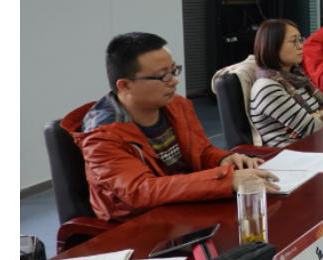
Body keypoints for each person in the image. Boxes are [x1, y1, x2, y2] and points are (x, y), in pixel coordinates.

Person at [61, 33, 278, 223]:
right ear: (125, 85)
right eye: (162, 76)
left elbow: (201, 151)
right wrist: (226, 180)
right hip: (139, 224)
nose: (174, 81)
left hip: (186, 207)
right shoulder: (101, 136)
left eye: (174, 71)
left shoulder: (177, 105)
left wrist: (223, 160)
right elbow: (141, 190)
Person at [249, 19, 323, 147]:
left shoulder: (297, 78)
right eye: (293, 41)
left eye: (300, 40)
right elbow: (314, 129)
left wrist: (317, 116)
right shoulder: (267, 87)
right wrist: (322, 116)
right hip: (292, 153)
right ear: (273, 46)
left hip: (313, 145)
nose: (301, 46)